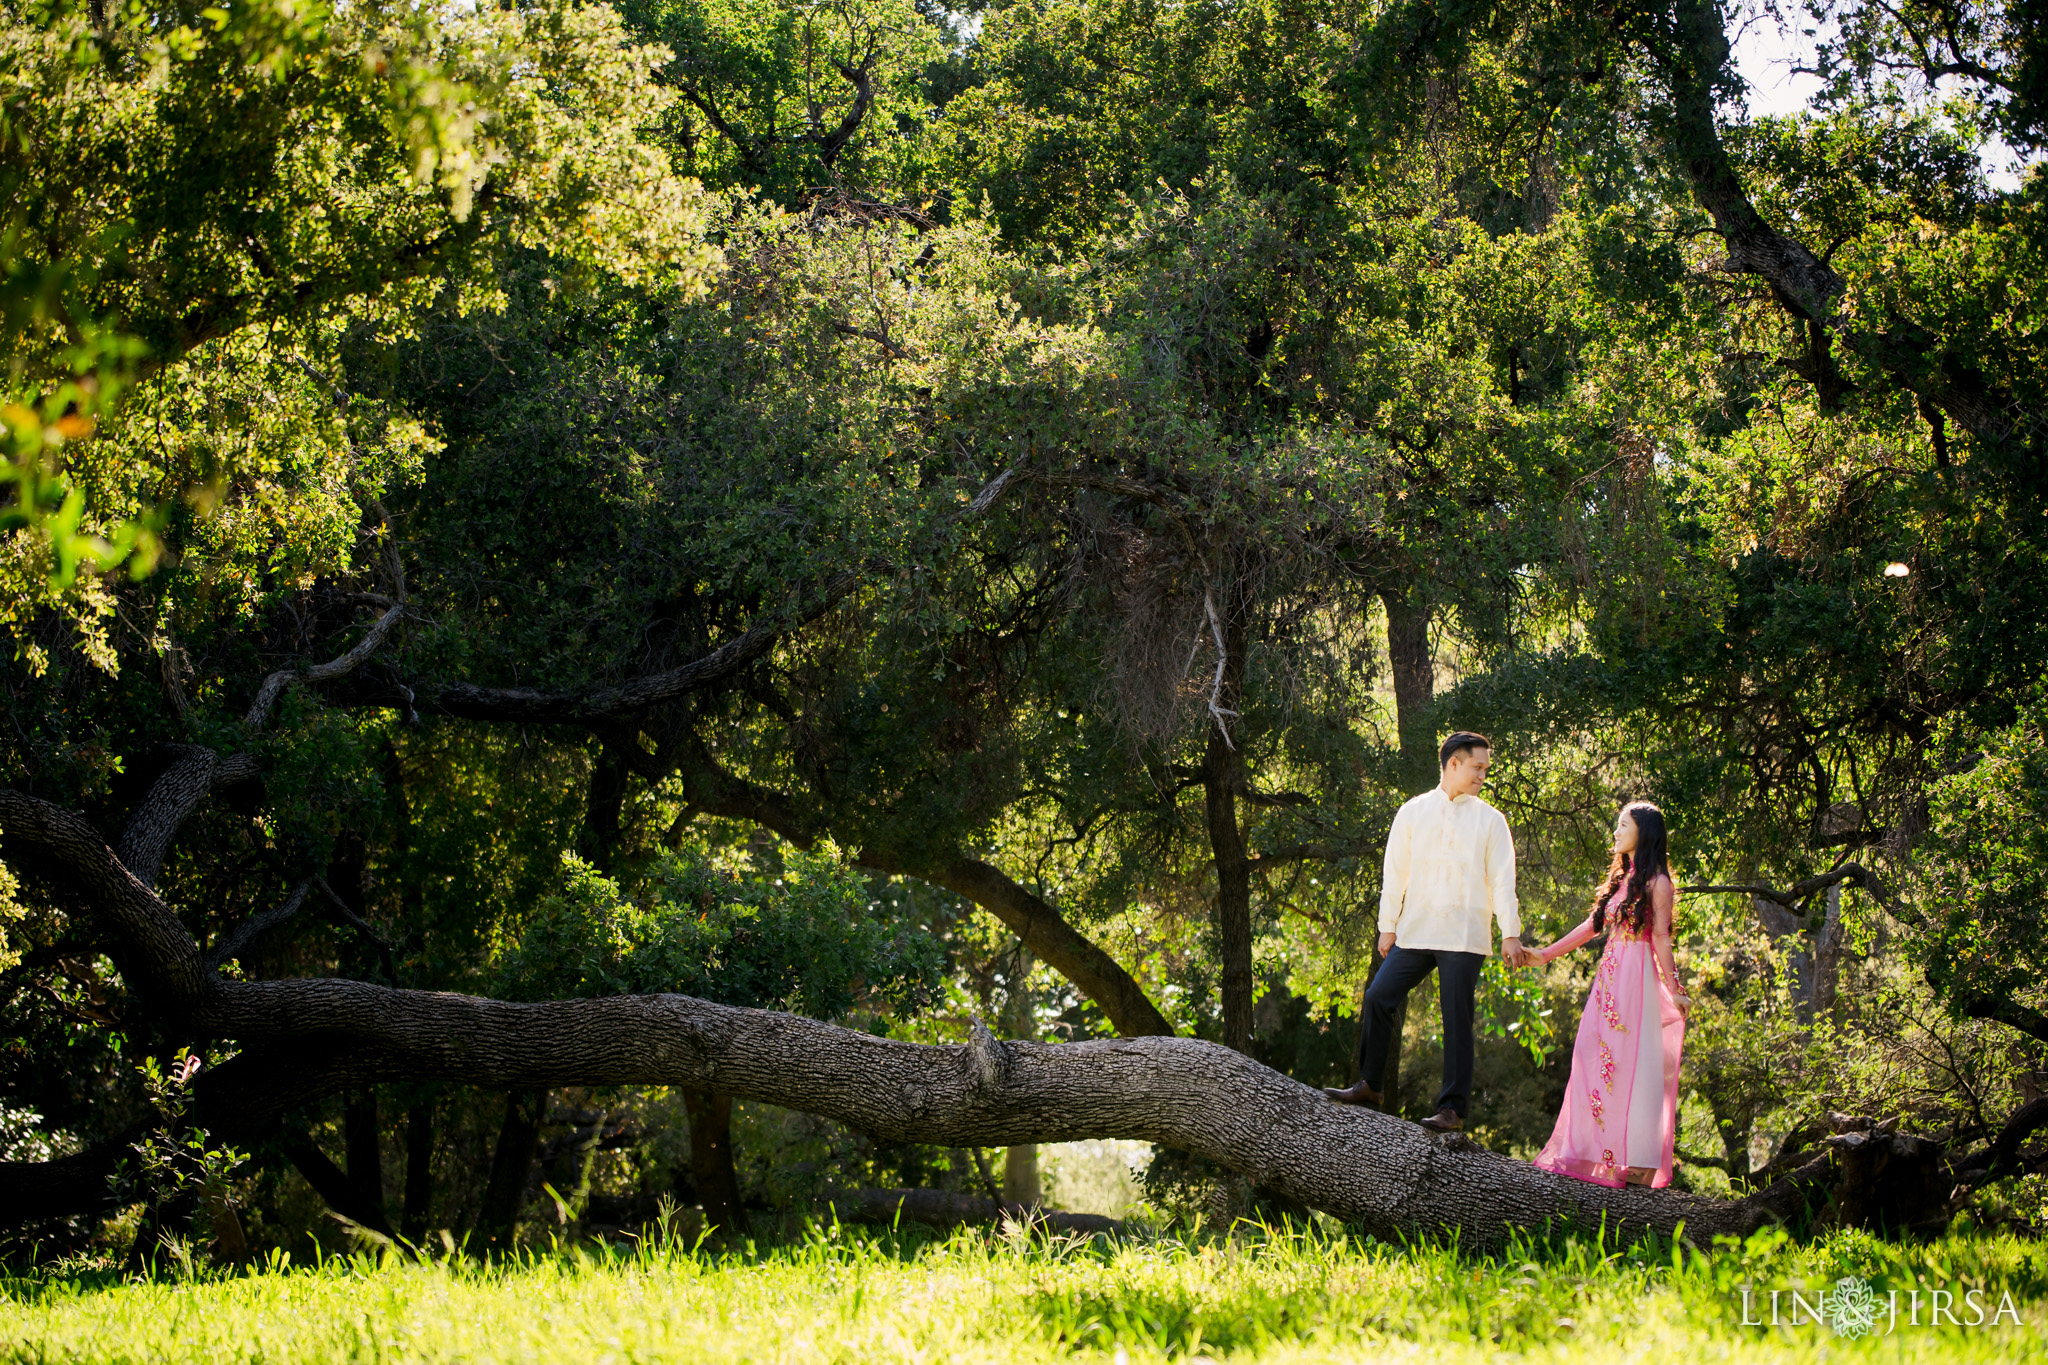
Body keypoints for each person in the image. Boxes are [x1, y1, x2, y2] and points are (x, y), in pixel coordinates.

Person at [1324, 731, 1524, 1133]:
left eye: (1486, 768)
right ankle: (1371, 1085)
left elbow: (1503, 881)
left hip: (1464, 936)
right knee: (1379, 997)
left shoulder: (1491, 820)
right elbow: (1395, 874)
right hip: (1416, 932)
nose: (1483, 774)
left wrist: (1510, 933)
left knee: (1455, 1019)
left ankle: (1452, 1109)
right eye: (1477, 767)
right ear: (1454, 763)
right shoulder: (1412, 812)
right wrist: (1387, 927)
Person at [1523, 801, 1690, 1188]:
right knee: (1589, 1056)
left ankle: (1633, 1160)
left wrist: (1675, 989)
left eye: (1622, 825)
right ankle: (1592, 1150)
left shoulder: (1658, 883)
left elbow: (1662, 938)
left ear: (1643, 833)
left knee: (1632, 1065)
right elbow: (1592, 926)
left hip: (1636, 979)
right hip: (1609, 980)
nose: (1615, 832)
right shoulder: (1621, 879)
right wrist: (1545, 954)